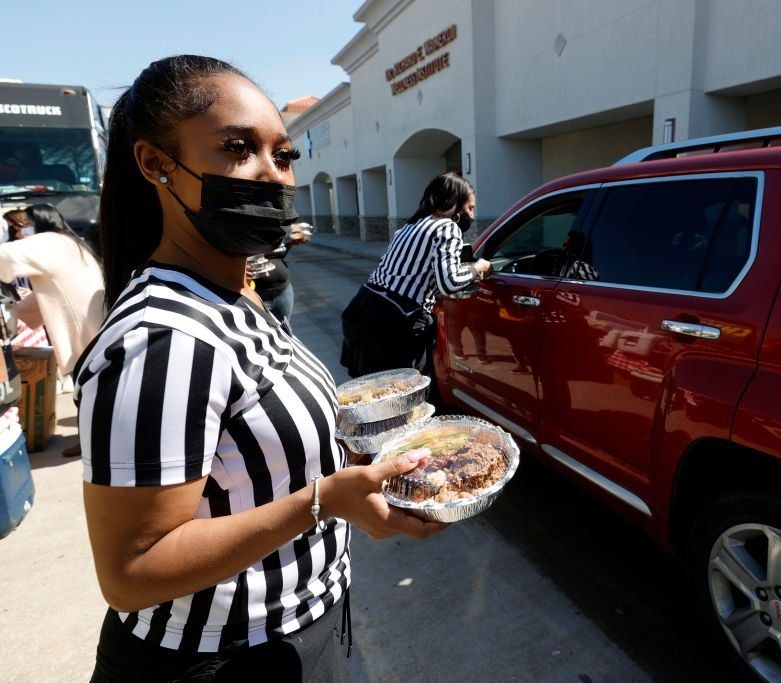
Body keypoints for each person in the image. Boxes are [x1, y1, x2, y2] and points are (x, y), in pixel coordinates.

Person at [74, 55, 443, 682]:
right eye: (239, 149)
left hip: (298, 633)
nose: (271, 176)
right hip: (217, 661)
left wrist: (351, 467)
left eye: (284, 155)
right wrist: (326, 500)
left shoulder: (238, 293)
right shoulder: (159, 339)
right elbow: (132, 572)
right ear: (155, 163)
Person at [340, 172, 492, 378]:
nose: (472, 216)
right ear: (453, 204)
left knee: (374, 391)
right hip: (396, 321)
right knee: (402, 395)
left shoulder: (410, 226)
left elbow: (413, 275)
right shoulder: (447, 228)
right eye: (470, 208)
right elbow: (449, 282)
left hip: (364, 307)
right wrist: (478, 268)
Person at [0, 203, 104, 377]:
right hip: (97, 341)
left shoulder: (49, 242)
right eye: (13, 230)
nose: (17, 234)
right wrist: (13, 310)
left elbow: (4, 259)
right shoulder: (69, 243)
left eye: (24, 228)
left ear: (39, 223)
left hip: (88, 348)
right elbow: (45, 300)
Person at [250, 222, 311, 323]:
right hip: (257, 293)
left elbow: (277, 255)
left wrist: (290, 243)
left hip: (283, 290)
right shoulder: (245, 226)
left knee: (285, 333)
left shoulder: (276, 224)